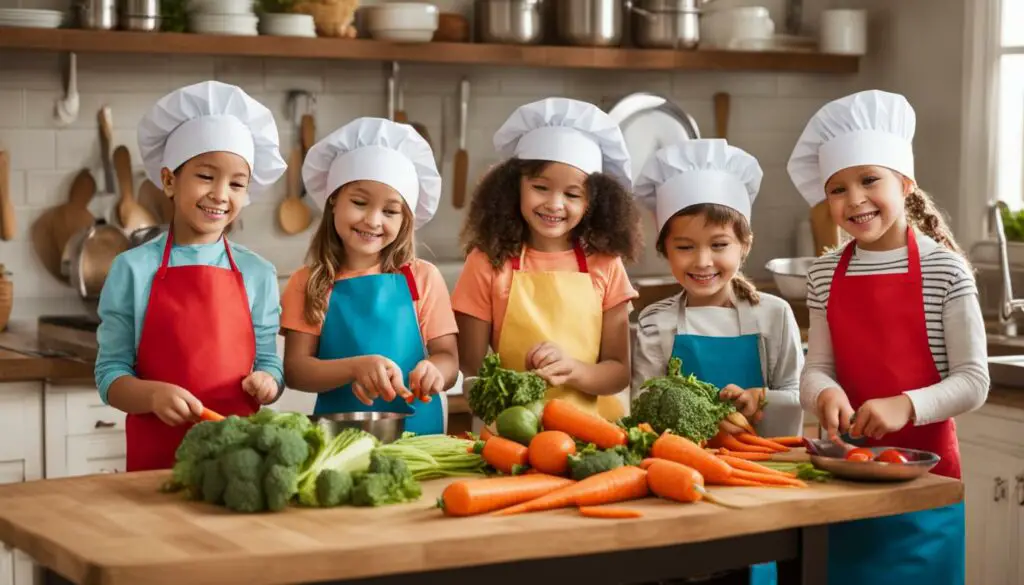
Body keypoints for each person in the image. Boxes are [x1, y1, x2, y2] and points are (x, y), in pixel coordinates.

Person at [788, 89, 989, 585]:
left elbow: (973, 380)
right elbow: (817, 368)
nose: (855, 199)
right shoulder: (825, 273)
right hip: (842, 479)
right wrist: (824, 393)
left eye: (869, 180)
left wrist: (906, 405)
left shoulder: (946, 271)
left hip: (925, 485)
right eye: (838, 189)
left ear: (905, 182)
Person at [632, 139, 804, 585]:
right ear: (665, 250)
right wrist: (699, 424)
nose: (703, 261)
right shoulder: (656, 322)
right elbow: (642, 405)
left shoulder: (773, 314)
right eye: (685, 247)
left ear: (744, 245)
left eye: (719, 244)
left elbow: (799, 394)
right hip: (680, 480)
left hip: (762, 476)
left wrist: (759, 398)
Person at [95, 80, 287, 472]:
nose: (221, 194)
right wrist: (150, 396)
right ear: (168, 180)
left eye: (237, 183)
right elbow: (110, 375)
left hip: (238, 462)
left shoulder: (258, 273)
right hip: (156, 460)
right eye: (205, 176)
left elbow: (270, 361)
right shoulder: (132, 269)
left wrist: (268, 382)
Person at [451, 97, 643, 422]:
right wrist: (502, 400)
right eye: (540, 187)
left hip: (593, 432)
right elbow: (470, 368)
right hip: (510, 430)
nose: (554, 204)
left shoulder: (605, 264)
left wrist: (575, 371)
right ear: (515, 187)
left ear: (592, 202)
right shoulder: (487, 262)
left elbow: (618, 373)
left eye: (572, 194)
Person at [280, 117, 458, 435]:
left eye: (390, 211)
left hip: (419, 437)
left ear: (405, 219)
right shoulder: (307, 282)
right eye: (360, 203)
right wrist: (355, 368)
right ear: (333, 199)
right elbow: (296, 371)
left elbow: (449, 360)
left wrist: (435, 371)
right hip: (339, 439)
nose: (373, 220)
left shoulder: (424, 278)